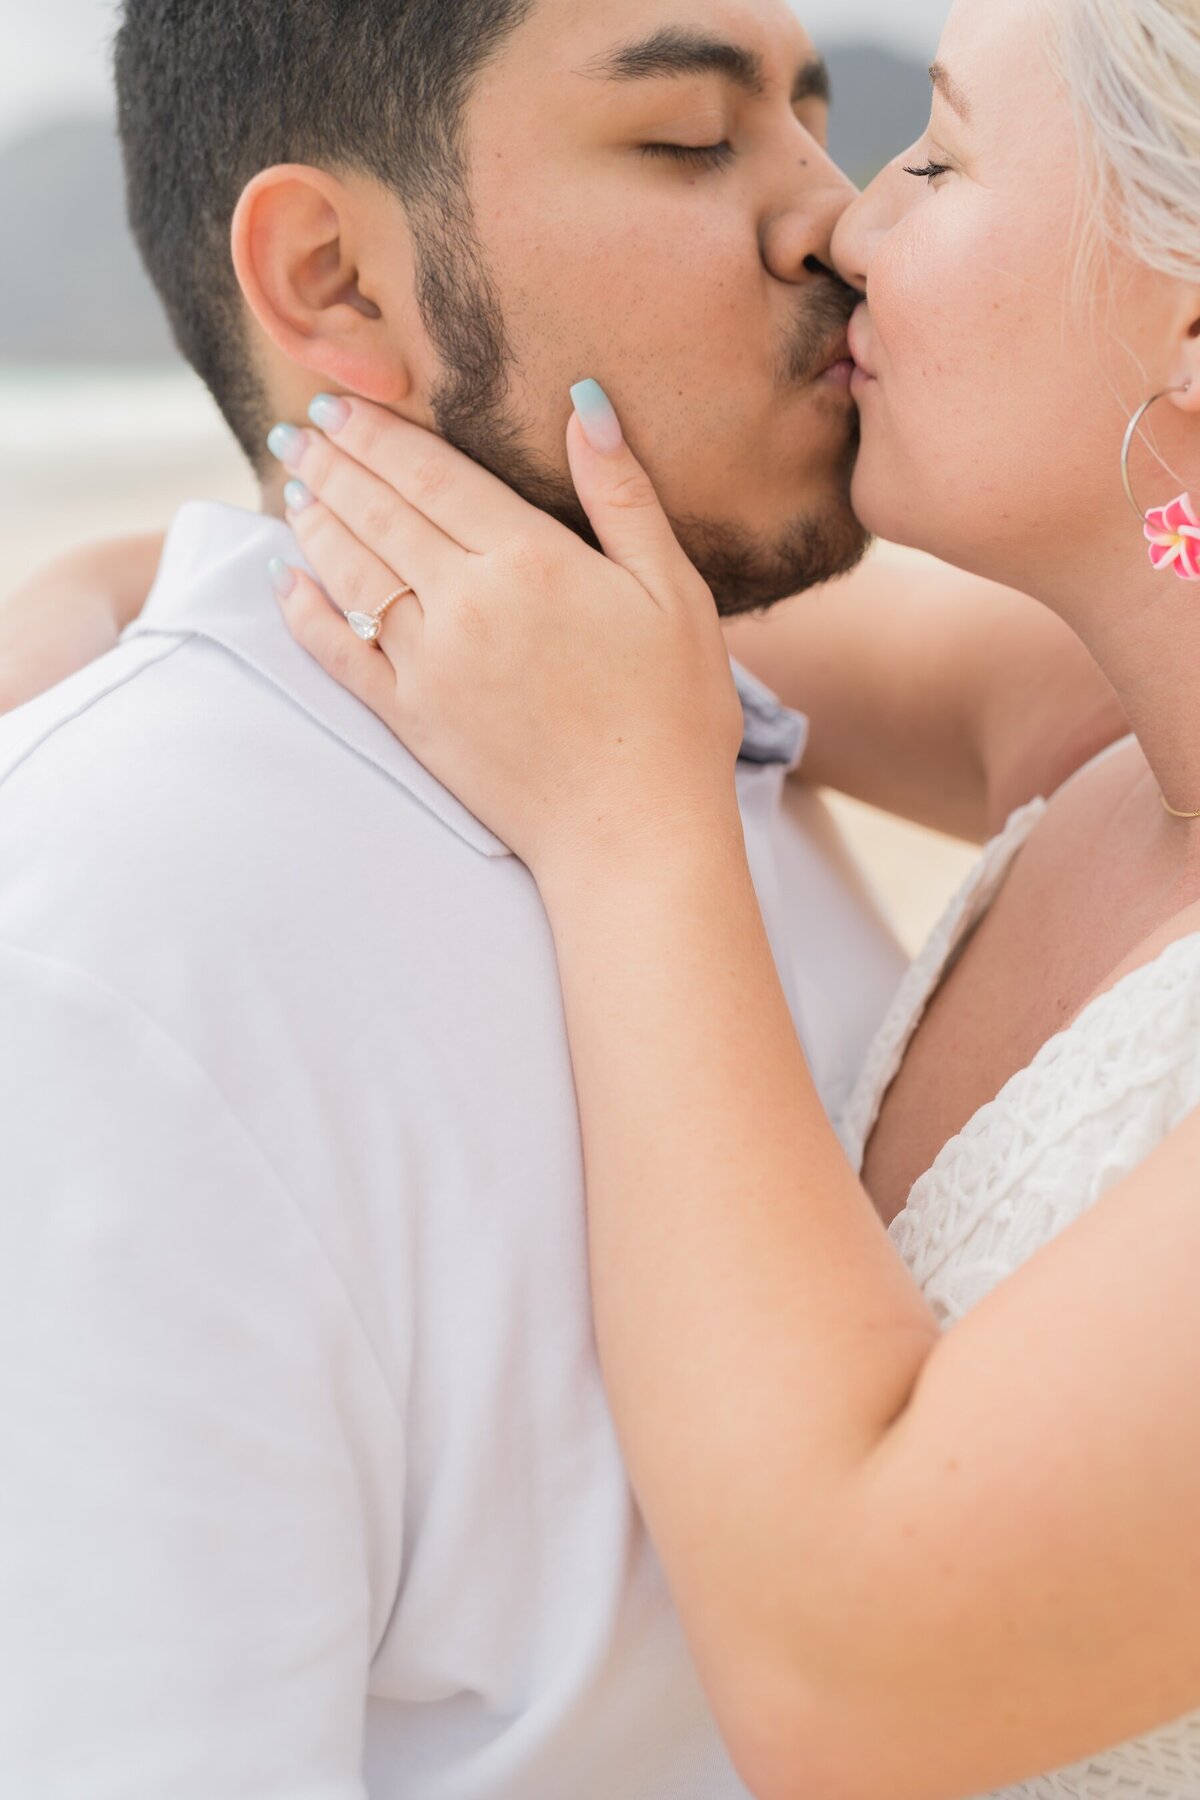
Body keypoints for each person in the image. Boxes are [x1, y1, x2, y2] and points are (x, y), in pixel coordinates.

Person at [44, 0, 1189, 1796]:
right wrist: (162, 571)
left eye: (932, 153)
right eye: (689, 140)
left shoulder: (669, 765)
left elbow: (858, 1670)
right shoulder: (1089, 724)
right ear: (331, 277)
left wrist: (630, 826)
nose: (844, 220)